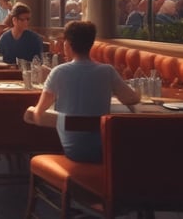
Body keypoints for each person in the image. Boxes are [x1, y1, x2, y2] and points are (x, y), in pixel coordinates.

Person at [24, 21, 140, 162]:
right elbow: (131, 99)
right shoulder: (107, 71)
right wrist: (138, 90)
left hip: (72, 151)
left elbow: (39, 115)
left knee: (33, 115)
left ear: (67, 44)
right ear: (91, 44)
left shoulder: (58, 72)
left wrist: (31, 111)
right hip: (102, 151)